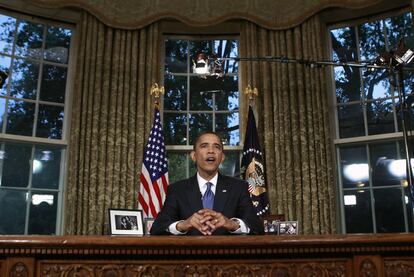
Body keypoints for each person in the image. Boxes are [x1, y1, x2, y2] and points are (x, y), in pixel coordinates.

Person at [150, 131, 264, 235]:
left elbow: (257, 227)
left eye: (217, 147)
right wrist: (182, 225)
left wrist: (233, 224)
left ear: (222, 157)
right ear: (193, 156)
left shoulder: (239, 187)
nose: (211, 151)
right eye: (204, 146)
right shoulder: (177, 190)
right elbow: (157, 228)